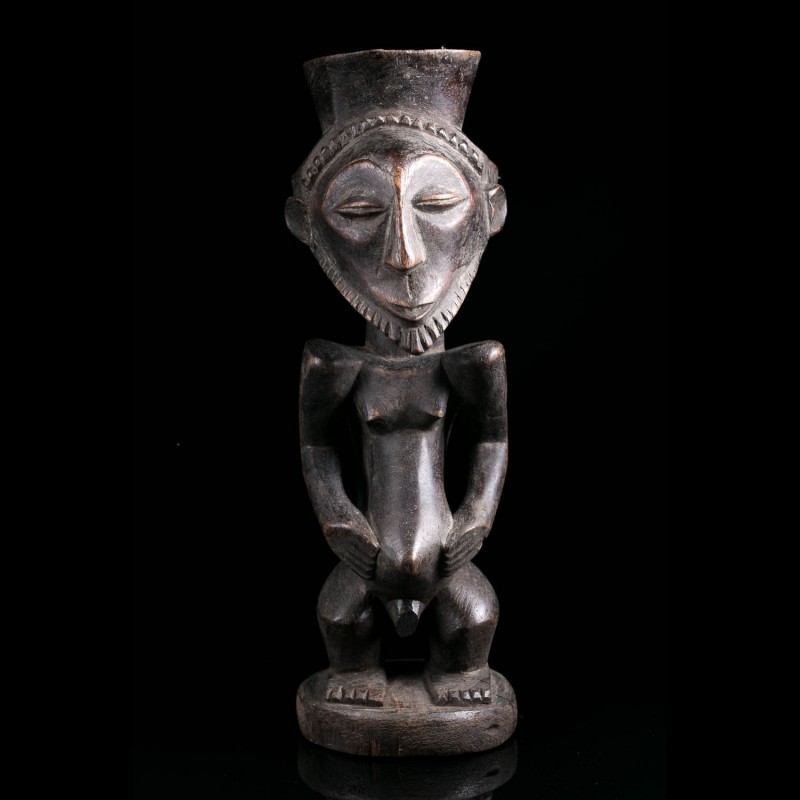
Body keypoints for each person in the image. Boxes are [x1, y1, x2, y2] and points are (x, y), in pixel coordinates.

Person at [286, 49, 508, 706]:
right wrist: (338, 522)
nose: (405, 254)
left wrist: (477, 519)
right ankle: (356, 674)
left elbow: (493, 441)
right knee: (339, 619)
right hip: (367, 558)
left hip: (446, 558)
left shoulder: (474, 363)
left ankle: (460, 673)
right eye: (360, 210)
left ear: (490, 212)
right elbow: (315, 445)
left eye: (436, 202)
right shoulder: (335, 365)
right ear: (306, 225)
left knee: (474, 618)